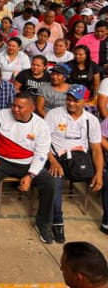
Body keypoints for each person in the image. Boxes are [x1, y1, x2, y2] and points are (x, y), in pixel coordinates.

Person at [0, 92, 55, 242]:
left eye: (20, 107)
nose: (15, 109)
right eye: (13, 105)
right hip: (2, 161)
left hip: (28, 163)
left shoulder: (41, 126)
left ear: (31, 108)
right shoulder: (0, 115)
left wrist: (31, 175)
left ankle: (44, 224)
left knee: (50, 183)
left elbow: (41, 153)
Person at [44, 85, 104, 243]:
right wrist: (53, 161)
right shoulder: (54, 114)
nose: (70, 104)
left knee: (105, 175)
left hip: (79, 160)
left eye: (75, 101)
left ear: (86, 101)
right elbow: (43, 142)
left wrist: (98, 174)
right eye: (68, 100)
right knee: (55, 179)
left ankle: (106, 219)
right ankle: (57, 221)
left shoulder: (91, 120)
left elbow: (97, 149)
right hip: (56, 157)